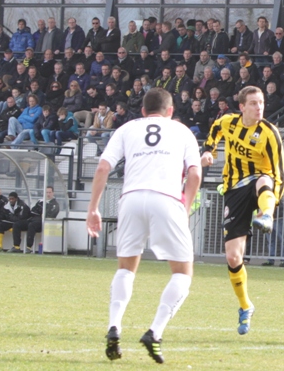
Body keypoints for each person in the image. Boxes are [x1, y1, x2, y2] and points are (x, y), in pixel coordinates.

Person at [86, 87, 202, 363]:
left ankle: (114, 327)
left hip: (132, 198)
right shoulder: (182, 131)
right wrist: (184, 209)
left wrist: (93, 209)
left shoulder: (127, 128)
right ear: (170, 111)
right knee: (183, 272)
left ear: (142, 110)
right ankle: (155, 332)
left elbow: (103, 168)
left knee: (126, 268)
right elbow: (195, 174)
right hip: (166, 199)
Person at [201, 85, 284, 335]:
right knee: (233, 257)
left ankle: (266, 216)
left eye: (261, 103)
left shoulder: (269, 133)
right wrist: (208, 151)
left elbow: (280, 172)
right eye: (253, 103)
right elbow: (214, 131)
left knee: (264, 179)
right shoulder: (228, 121)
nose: (259, 107)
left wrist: (273, 205)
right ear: (241, 107)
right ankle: (245, 306)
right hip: (234, 189)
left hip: (260, 184)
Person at [9, 186, 60, 253]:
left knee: (31, 225)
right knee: (16, 224)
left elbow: (49, 215)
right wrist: (39, 213)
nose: (48, 194)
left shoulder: (55, 204)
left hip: (42, 223)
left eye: (50, 192)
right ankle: (16, 246)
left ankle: (28, 247)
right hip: (32, 219)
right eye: (47, 192)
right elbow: (33, 211)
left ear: (53, 193)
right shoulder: (40, 201)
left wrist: (39, 213)